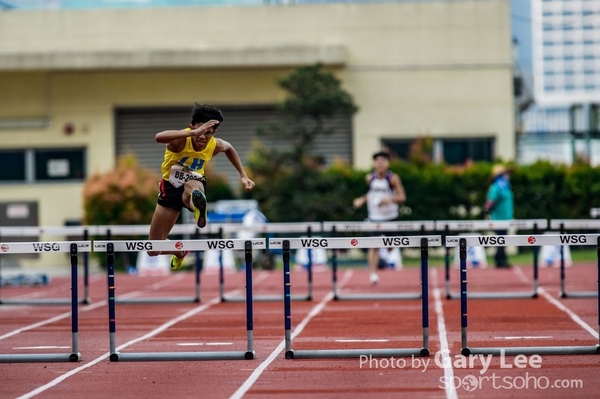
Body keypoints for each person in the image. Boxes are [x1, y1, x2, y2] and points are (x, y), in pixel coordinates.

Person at [147, 103, 255, 270]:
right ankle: (179, 251)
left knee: (193, 187)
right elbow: (158, 137)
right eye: (200, 132)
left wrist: (243, 175)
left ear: (214, 132)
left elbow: (229, 148)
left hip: (194, 183)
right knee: (153, 248)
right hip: (170, 187)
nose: (203, 137)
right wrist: (193, 133)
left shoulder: (214, 144)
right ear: (192, 127)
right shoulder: (181, 139)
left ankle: (198, 207)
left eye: (208, 133)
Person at [353, 151, 407, 284]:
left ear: (387, 164)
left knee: (390, 247)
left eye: (383, 161)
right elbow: (371, 194)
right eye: (377, 161)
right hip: (374, 218)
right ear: (374, 164)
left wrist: (389, 200)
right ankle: (372, 274)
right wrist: (361, 199)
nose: (380, 164)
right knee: (374, 246)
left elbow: (402, 197)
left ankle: (387, 252)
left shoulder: (393, 178)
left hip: (390, 217)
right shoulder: (369, 178)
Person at [484, 164, 514, 268]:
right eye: (505, 173)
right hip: (498, 219)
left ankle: (500, 259)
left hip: (506, 218)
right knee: (501, 239)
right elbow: (490, 202)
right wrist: (487, 209)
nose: (507, 175)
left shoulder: (506, 186)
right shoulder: (496, 187)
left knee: (502, 239)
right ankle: (501, 260)